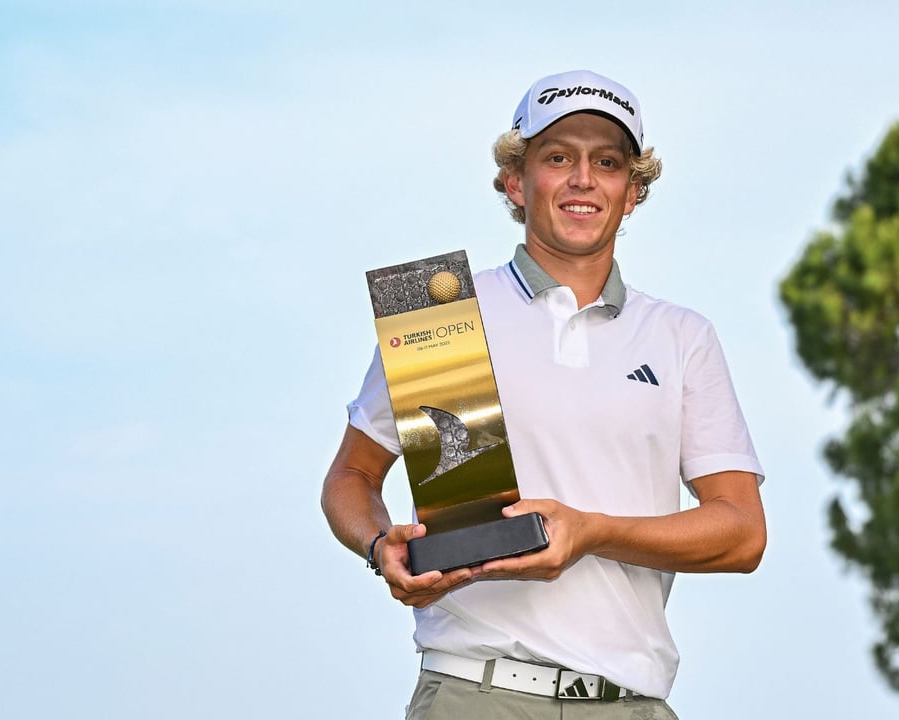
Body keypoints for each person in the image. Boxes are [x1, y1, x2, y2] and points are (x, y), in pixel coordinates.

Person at [322, 69, 766, 719]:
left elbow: (742, 534)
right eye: (558, 157)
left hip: (629, 699)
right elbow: (351, 476)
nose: (583, 179)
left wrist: (591, 532)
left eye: (607, 162)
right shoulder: (439, 316)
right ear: (515, 181)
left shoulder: (682, 336)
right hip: (471, 689)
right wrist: (378, 544)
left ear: (633, 192)